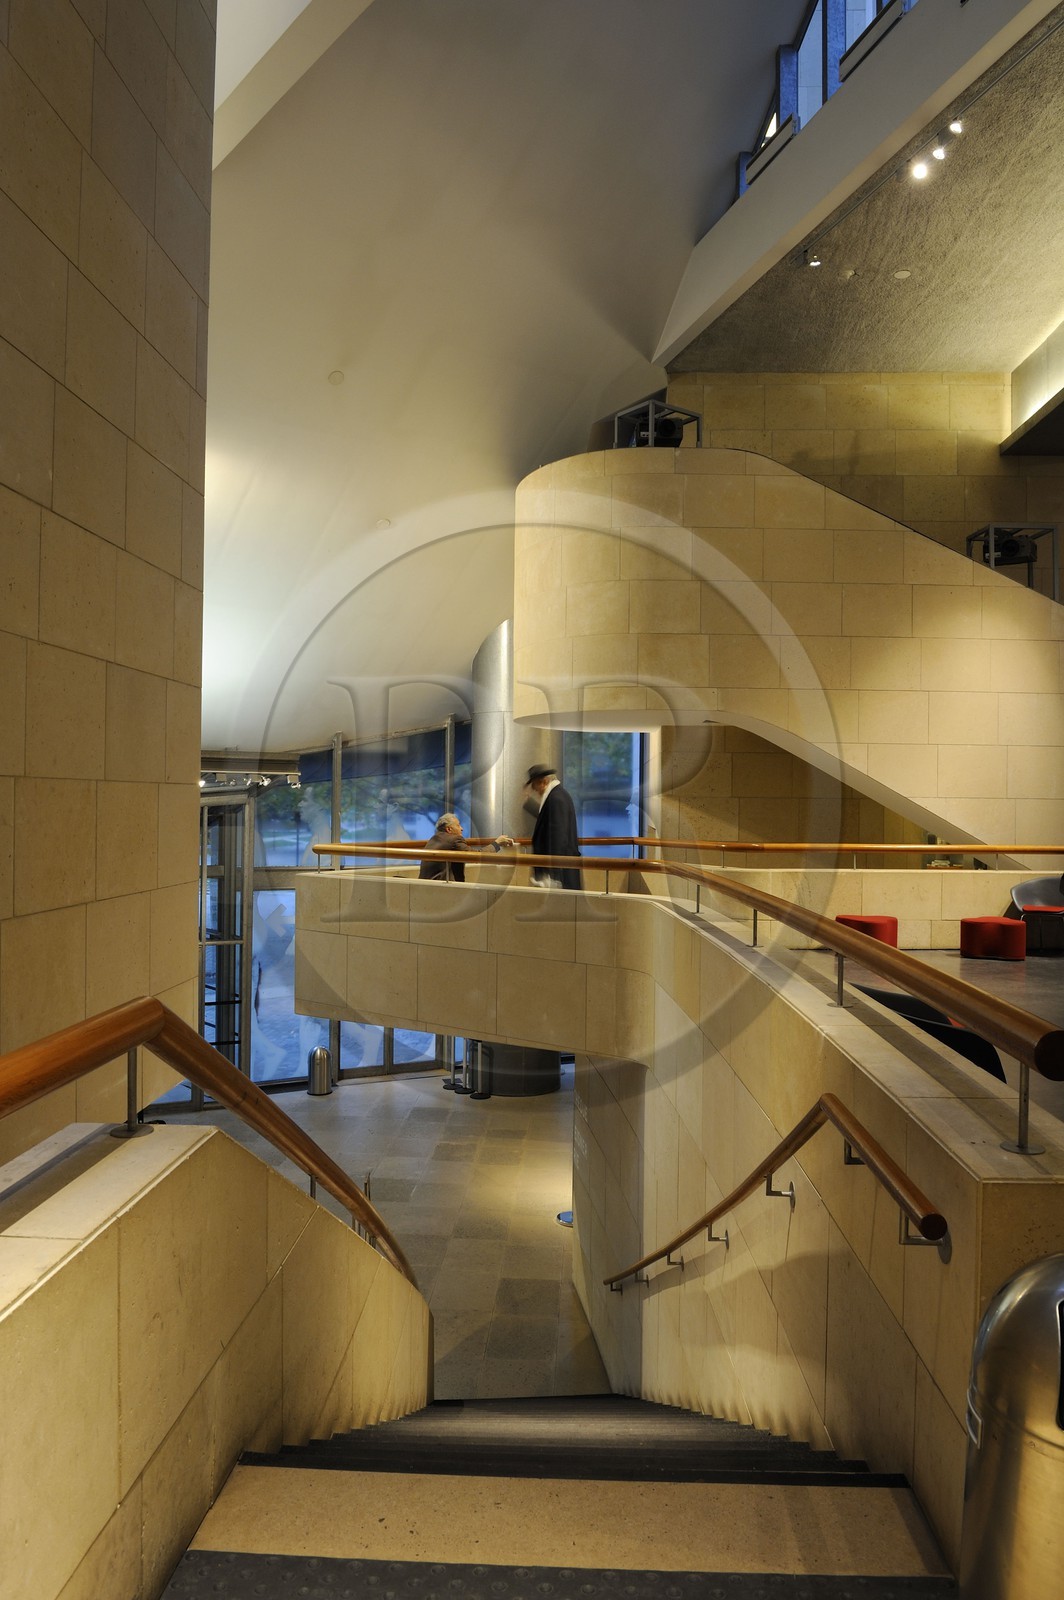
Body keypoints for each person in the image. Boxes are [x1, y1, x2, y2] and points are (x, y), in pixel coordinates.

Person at [526, 764, 582, 889]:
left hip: (559, 875)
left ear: (543, 782)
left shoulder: (555, 799)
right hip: (561, 870)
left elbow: (558, 837)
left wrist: (553, 875)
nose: (536, 791)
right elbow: (548, 820)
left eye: (535, 787)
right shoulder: (558, 796)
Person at [417, 813, 512, 881]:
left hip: (425, 886)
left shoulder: (434, 839)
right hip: (442, 890)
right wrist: (497, 843)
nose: (462, 828)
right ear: (449, 829)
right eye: (458, 825)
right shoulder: (454, 839)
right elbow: (476, 856)